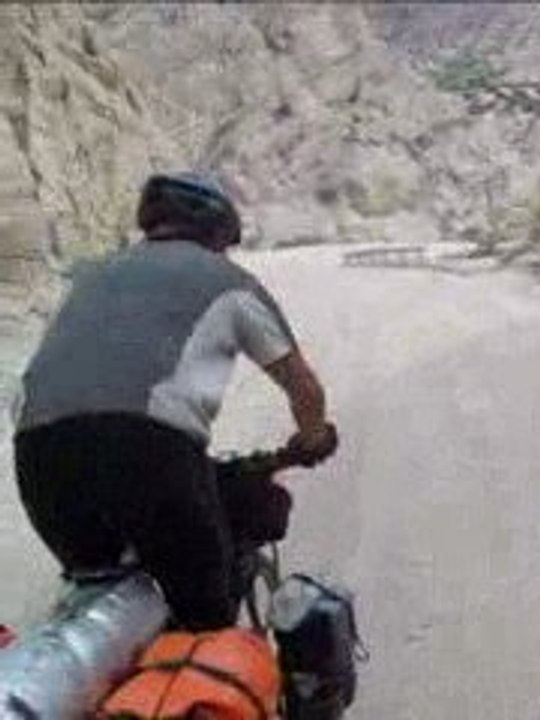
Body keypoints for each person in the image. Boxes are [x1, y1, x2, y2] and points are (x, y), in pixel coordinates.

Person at [11, 172, 336, 630]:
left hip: (39, 456)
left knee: (95, 600)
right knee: (204, 617)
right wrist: (313, 439)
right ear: (218, 232)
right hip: (146, 451)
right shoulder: (229, 281)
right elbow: (303, 388)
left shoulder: (92, 277)